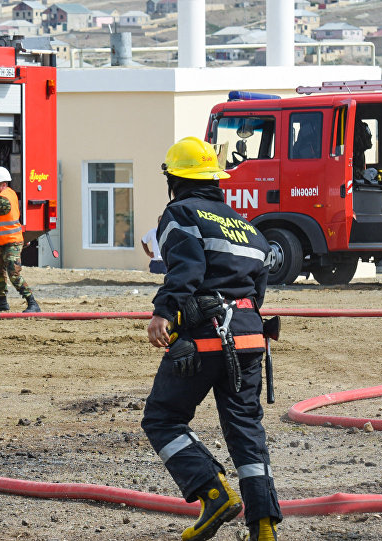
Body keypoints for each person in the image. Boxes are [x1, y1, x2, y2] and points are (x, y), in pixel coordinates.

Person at [141, 137, 281, 541]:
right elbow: (257, 294)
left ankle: (214, 493)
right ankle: (265, 525)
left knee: (163, 418)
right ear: (215, 181)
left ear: (174, 178)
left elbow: (185, 269)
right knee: (246, 430)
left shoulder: (180, 213)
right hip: (251, 340)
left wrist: (163, 313)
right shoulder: (249, 229)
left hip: (205, 339)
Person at [0, 166, 40, 313]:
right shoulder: (7, 195)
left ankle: (32, 303)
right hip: (4, 242)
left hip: (11, 242)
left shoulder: (3, 200)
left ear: (3, 184)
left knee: (13, 273)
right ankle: (2, 302)